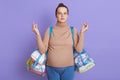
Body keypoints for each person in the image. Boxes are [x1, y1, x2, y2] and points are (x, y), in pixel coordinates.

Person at [32, 3, 88, 80]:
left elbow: (79, 49)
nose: (62, 15)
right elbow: (42, 50)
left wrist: (82, 33)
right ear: (56, 15)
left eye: (65, 13)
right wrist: (37, 34)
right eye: (59, 13)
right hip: (51, 69)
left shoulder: (72, 30)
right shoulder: (50, 30)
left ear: (68, 15)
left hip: (69, 69)